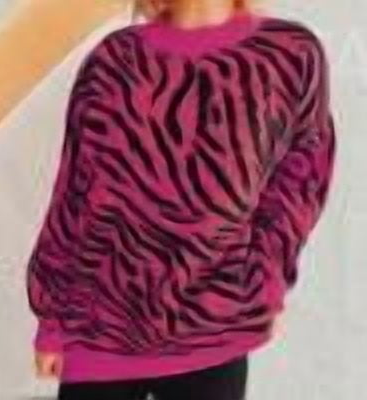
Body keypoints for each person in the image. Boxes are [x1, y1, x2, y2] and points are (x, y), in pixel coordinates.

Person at [25, 0, 337, 398]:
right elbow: (74, 194)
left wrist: (266, 282)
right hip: (99, 328)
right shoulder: (114, 61)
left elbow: (300, 181)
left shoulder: (289, 55)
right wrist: (53, 321)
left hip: (213, 331)